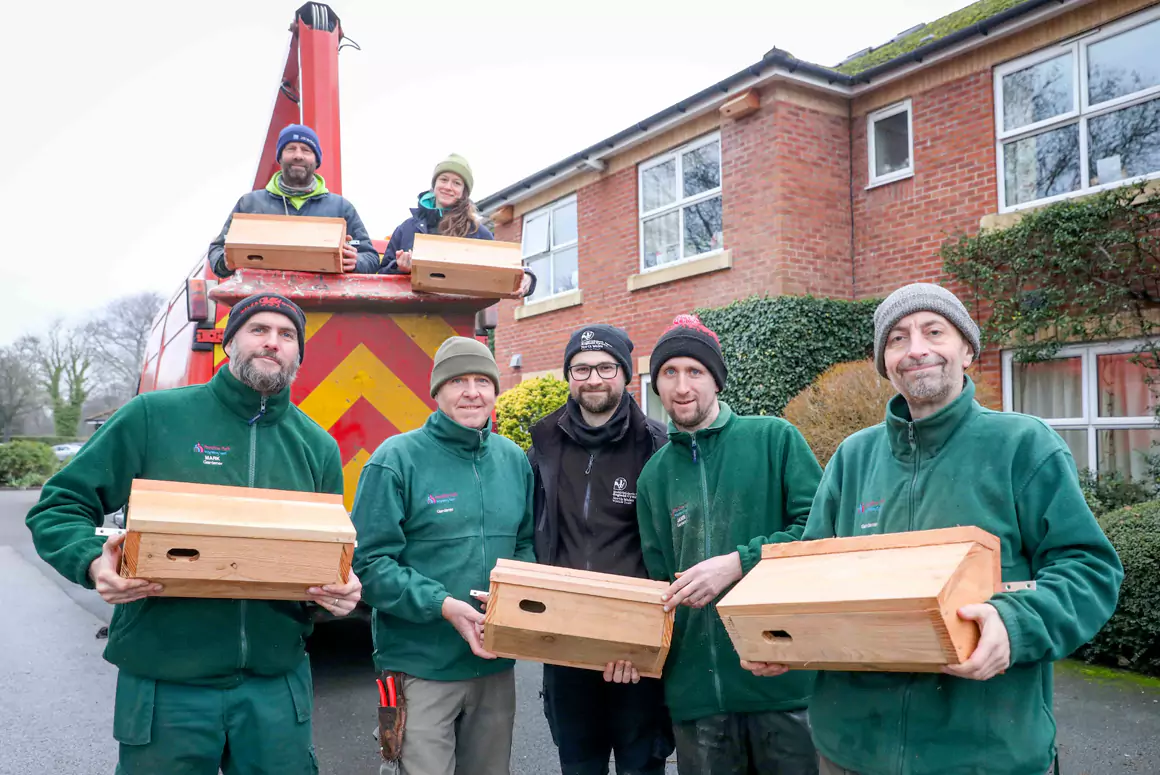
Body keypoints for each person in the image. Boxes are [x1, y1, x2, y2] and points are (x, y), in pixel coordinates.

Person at [742, 283, 1124, 775]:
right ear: (885, 363)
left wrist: (1015, 624)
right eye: (897, 338)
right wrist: (782, 637)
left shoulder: (1023, 446)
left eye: (934, 331)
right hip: (853, 751)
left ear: (967, 349)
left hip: (985, 754)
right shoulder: (852, 458)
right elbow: (809, 580)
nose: (916, 348)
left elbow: (1089, 569)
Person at [25, 292, 362, 775]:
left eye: (287, 335)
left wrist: (338, 591)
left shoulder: (318, 447)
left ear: (298, 355)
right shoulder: (153, 417)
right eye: (259, 330)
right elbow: (58, 507)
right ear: (229, 343)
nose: (273, 343)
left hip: (275, 686)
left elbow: (324, 553)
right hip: (168, 683)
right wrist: (95, 560)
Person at [635, 313, 822, 775]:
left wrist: (740, 563)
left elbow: (821, 533)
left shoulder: (774, 439)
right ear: (656, 384)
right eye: (669, 373)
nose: (682, 387)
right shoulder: (654, 477)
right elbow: (658, 582)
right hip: (699, 698)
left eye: (695, 372)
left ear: (716, 380)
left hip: (784, 685)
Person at [351, 335, 535, 775]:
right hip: (422, 667)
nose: (472, 392)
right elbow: (368, 565)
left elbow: (526, 544)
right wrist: (443, 606)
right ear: (436, 392)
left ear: (495, 389)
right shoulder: (396, 459)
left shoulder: (514, 460)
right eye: (458, 381)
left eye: (482, 381)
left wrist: (514, 591)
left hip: (493, 667)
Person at [526, 324, 674, 775]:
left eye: (606, 367)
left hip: (635, 642)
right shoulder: (543, 444)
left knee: (639, 765)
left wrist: (643, 638)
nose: (594, 378)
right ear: (569, 375)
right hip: (565, 639)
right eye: (582, 368)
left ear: (626, 374)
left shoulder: (656, 444)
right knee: (579, 764)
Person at [208, 124, 381, 277]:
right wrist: (225, 261)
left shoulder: (341, 207)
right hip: (263, 304)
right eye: (291, 148)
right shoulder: (250, 204)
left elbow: (371, 258)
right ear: (280, 157)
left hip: (323, 306)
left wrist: (357, 261)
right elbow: (217, 250)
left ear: (316, 160)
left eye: (306, 150)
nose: (298, 155)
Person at [377, 153, 535, 296]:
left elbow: (504, 267)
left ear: (464, 192)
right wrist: (399, 267)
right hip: (407, 316)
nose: (448, 187)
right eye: (443, 179)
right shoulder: (406, 228)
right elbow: (380, 275)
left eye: (456, 183)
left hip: (458, 318)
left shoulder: (476, 232)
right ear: (434, 185)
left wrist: (527, 276)